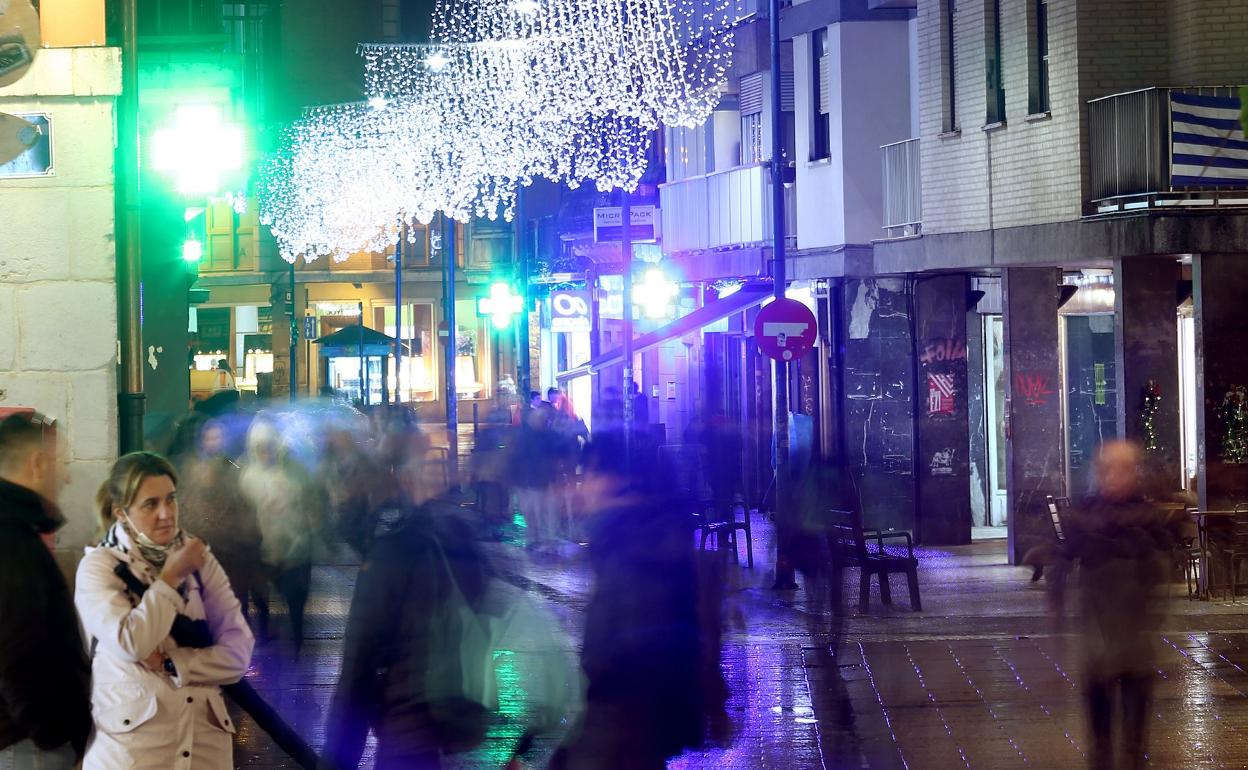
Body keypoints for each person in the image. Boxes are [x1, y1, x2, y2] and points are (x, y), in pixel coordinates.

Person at [75, 451, 254, 769]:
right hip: (133, 753)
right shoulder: (99, 567)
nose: (166, 513)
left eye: (171, 500)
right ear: (121, 512)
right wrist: (171, 578)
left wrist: (173, 662)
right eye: (150, 504)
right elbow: (131, 643)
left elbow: (238, 654)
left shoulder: (199, 559)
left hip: (204, 751)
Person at [1064, 441, 1181, 770]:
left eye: (1125, 469)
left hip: (1135, 646)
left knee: (1134, 743)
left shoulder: (1148, 518)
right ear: (1099, 474)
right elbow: (1065, 557)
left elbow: (1162, 572)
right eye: (1108, 469)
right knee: (1101, 740)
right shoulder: (1086, 516)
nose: (1116, 476)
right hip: (1099, 645)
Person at [0, 412, 91, 769]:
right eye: (62, 463)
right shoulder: (11, 542)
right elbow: (20, 656)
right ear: (38, 464)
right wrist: (59, 735)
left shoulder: (13, 530)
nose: (67, 475)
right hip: (27, 745)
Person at [239, 419, 325, 652]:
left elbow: (309, 505)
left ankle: (296, 639)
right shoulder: (247, 477)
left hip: (294, 548)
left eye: (268, 446)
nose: (265, 451)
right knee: (261, 597)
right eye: (260, 447)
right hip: (263, 548)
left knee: (296, 597)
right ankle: (266, 636)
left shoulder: (293, 475)